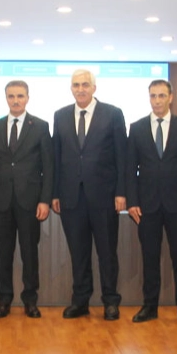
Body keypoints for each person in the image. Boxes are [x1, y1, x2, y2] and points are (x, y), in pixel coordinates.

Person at [52, 68, 127, 320]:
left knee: (107, 253)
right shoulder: (60, 115)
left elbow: (122, 155)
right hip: (71, 197)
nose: (80, 89)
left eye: (85, 84)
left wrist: (121, 192)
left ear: (94, 87)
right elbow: (56, 157)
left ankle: (110, 301)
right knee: (79, 253)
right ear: (71, 88)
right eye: (76, 85)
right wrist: (55, 193)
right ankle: (80, 301)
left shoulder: (113, 114)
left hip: (104, 196)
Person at [125, 79, 177, 323]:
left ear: (170, 97)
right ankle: (149, 306)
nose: (157, 100)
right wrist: (132, 201)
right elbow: (130, 168)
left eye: (161, 95)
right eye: (153, 96)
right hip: (147, 206)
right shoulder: (137, 128)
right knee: (150, 258)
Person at [0, 80, 53, 318]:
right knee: (4, 253)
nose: (15, 100)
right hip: (1, 202)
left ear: (27, 98)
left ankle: (30, 300)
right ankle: (4, 300)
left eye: (20, 96)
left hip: (30, 202)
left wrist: (45, 200)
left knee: (29, 254)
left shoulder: (40, 126)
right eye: (11, 96)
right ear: (6, 98)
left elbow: (48, 167)